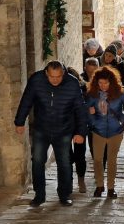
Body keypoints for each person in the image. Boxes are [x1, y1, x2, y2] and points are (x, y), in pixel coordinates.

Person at [14, 61, 87, 207]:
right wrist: (20, 121)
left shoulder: (72, 84)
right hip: (42, 128)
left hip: (64, 129)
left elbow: (80, 109)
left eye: (59, 76)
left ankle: (64, 194)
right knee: (38, 161)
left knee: (64, 163)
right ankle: (39, 195)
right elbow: (26, 100)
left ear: (63, 73)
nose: (55, 80)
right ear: (46, 73)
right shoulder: (36, 80)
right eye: (52, 77)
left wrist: (80, 132)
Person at [85, 66, 124, 199]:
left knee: (111, 160)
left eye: (106, 83)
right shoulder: (92, 94)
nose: (103, 86)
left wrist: (123, 123)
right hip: (98, 131)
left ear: (112, 82)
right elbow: (87, 110)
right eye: (100, 83)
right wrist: (92, 119)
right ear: (96, 83)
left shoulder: (120, 93)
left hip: (116, 131)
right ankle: (99, 185)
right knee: (97, 159)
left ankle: (111, 188)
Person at [66, 67, 89, 194]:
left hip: (79, 126)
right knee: (68, 155)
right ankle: (69, 181)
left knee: (79, 155)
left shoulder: (83, 89)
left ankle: (81, 180)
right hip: (65, 126)